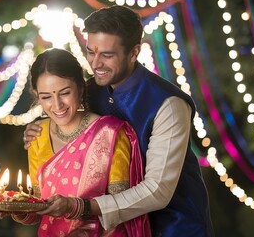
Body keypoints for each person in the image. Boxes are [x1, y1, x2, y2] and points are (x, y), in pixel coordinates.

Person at [23, 5, 214, 237]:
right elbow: (70, 124)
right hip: (110, 229)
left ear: (134, 53)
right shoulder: (90, 91)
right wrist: (40, 130)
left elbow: (158, 190)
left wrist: (82, 207)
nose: (95, 64)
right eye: (91, 52)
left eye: (107, 54)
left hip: (173, 225)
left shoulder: (168, 105)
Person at [12, 48, 151, 236]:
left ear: (81, 87)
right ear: (37, 95)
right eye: (46, 97)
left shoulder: (110, 134)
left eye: (64, 92)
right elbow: (38, 209)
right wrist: (15, 210)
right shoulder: (37, 135)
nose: (57, 105)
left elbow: (121, 210)